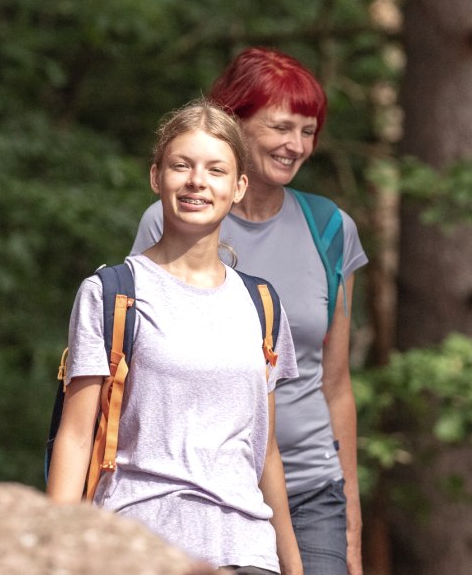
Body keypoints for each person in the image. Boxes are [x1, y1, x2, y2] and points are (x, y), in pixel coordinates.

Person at [133, 48, 368, 575]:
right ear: (233, 122)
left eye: (308, 131)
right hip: (205, 488)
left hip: (311, 488)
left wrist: (351, 520)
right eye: (281, 127)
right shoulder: (169, 219)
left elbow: (336, 384)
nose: (296, 145)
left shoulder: (331, 229)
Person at [49, 99, 303, 575]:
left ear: (239, 186)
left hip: (248, 552)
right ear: (156, 177)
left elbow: (264, 450)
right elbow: (76, 437)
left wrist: (292, 563)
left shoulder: (262, 304)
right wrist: (54, 556)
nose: (196, 181)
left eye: (215, 170)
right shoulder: (111, 294)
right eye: (181, 165)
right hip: (140, 549)